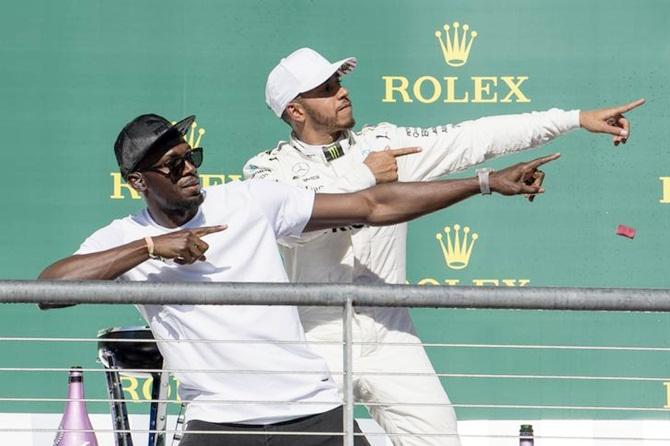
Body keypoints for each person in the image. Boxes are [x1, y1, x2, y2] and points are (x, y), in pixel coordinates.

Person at [39, 113, 559, 446]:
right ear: (138, 182)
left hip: (311, 412)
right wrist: (150, 248)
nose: (190, 169)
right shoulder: (121, 236)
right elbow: (49, 289)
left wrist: (485, 183)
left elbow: (371, 204)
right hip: (219, 423)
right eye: (173, 165)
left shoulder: (247, 200)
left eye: (192, 156)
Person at [243, 47, 645, 446]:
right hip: (317, 339)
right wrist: (364, 176)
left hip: (391, 334)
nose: (342, 92)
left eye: (339, 82)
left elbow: (475, 137)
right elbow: (297, 226)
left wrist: (574, 119)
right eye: (327, 88)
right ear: (296, 112)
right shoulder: (266, 170)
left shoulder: (385, 144)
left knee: (440, 439)